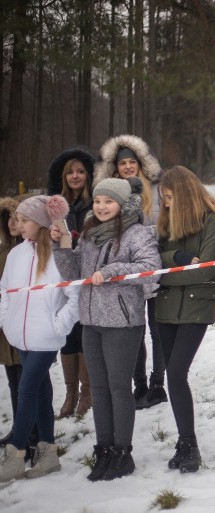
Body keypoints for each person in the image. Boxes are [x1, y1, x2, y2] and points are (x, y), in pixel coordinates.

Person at [53, 177, 161, 481]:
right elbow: (74, 272)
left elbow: (149, 268)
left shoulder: (136, 233)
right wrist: (61, 245)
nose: (101, 207)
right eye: (98, 201)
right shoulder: (89, 232)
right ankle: (103, 449)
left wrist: (111, 271)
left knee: (118, 388)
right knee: (99, 390)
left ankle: (122, 453)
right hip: (91, 322)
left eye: (108, 201)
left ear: (122, 204)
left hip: (122, 323)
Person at [154, 166, 215, 472]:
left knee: (176, 373)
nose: (166, 204)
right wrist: (178, 260)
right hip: (165, 308)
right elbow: (151, 261)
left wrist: (164, 274)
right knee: (174, 376)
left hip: (196, 307)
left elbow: (205, 270)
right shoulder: (166, 222)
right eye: (163, 198)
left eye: (171, 197)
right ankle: (184, 443)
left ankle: (190, 444)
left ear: (184, 195)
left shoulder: (214, 220)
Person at [0, 195, 79, 482]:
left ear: (42, 222)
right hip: (20, 337)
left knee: (27, 389)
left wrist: (58, 326)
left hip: (46, 337)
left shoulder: (59, 255)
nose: (17, 225)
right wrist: (7, 323)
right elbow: (5, 292)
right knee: (42, 392)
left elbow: (75, 296)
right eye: (16, 219)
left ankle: (16, 453)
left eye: (24, 220)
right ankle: (48, 455)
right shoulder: (15, 255)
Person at [94, 134, 166, 408]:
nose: (127, 167)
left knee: (157, 329)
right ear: (115, 167)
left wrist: (147, 235)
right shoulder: (111, 191)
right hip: (124, 268)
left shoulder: (156, 189)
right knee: (134, 328)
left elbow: (166, 223)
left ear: (140, 163)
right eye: (122, 163)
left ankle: (158, 383)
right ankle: (140, 384)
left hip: (153, 263)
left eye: (131, 161)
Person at [48, 147, 96, 418]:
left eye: (80, 171)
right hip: (65, 275)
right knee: (68, 335)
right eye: (70, 173)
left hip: (89, 274)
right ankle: (70, 393)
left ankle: (87, 392)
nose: (75, 176)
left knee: (85, 333)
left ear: (88, 175)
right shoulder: (57, 205)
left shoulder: (96, 203)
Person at [0, 197, 24, 448]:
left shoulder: (31, 251)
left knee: (29, 383)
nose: (13, 223)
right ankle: (19, 427)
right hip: (5, 327)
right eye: (8, 217)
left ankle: (32, 431)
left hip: (24, 324)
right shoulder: (3, 251)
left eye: (17, 217)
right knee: (14, 382)